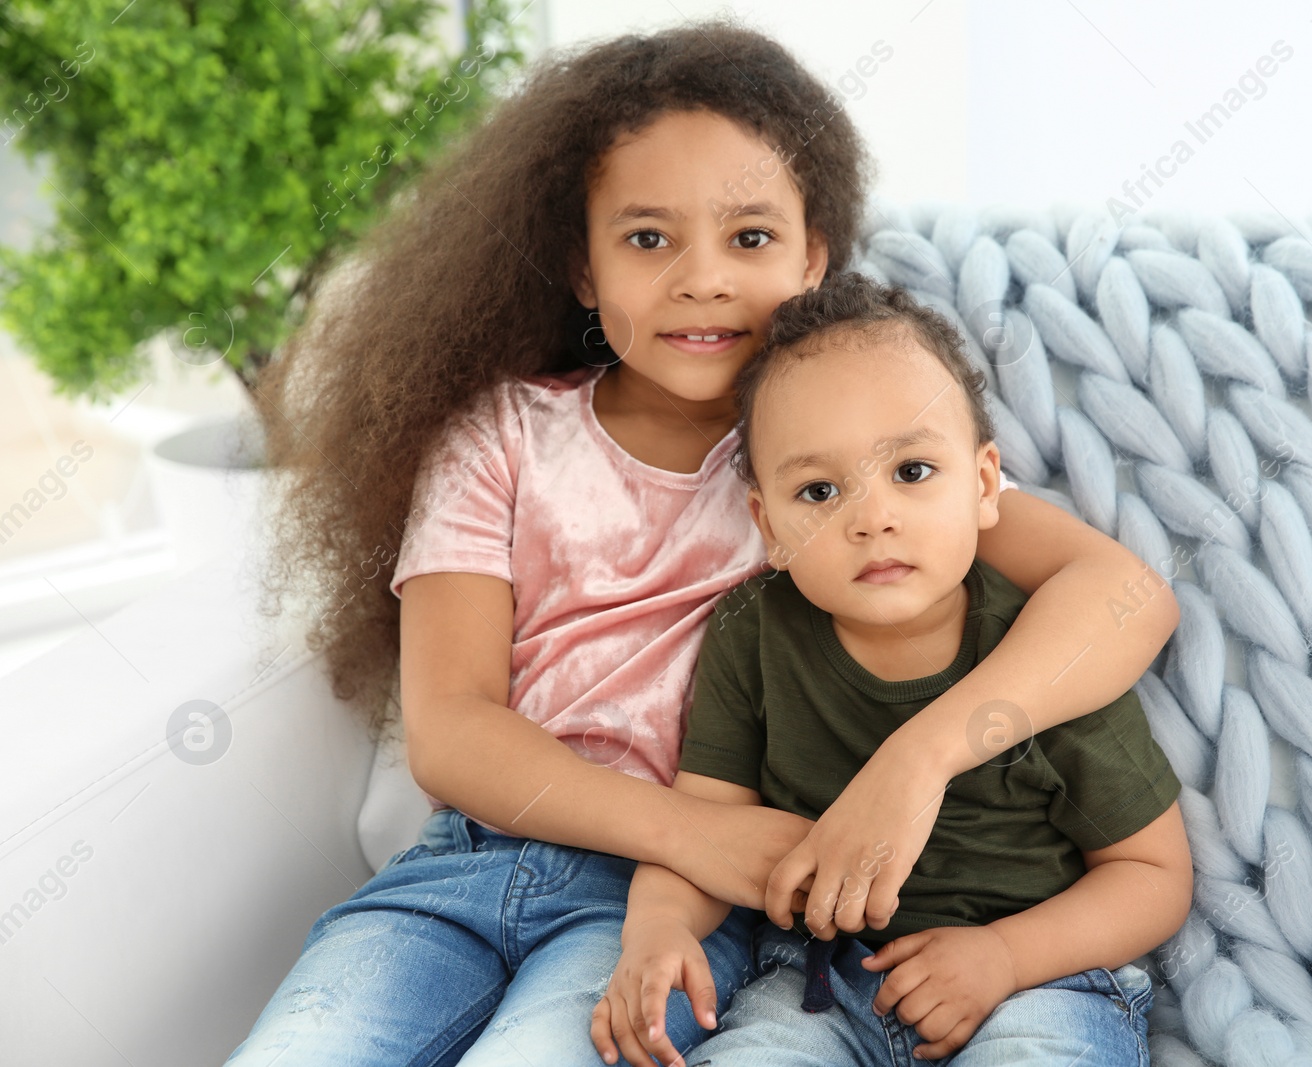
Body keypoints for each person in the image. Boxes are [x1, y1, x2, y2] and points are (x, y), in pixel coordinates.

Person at [227, 15, 1180, 1066]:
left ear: (813, 257)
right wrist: (690, 833)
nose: (703, 277)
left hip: (669, 906)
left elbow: (1124, 592)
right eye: (647, 238)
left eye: (751, 237)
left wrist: (919, 757)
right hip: (470, 865)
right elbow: (450, 730)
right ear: (580, 267)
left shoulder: (832, 464)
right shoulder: (499, 435)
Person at [592, 273, 1192, 1067]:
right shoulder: (753, 633)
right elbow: (704, 825)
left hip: (1037, 983)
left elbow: (1152, 872)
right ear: (768, 524)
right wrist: (659, 928)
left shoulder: (1043, 651)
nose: (871, 518)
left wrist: (1006, 956)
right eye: (819, 489)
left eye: (911, 472)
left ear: (984, 485)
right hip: (818, 984)